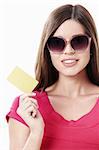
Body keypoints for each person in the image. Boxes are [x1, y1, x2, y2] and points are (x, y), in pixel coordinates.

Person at [6, 4, 99, 150]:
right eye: (57, 43)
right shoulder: (25, 107)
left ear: (91, 45)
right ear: (47, 50)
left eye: (78, 41)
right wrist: (36, 133)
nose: (68, 51)